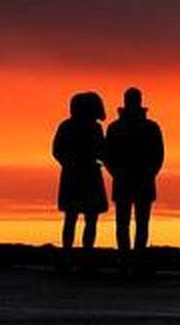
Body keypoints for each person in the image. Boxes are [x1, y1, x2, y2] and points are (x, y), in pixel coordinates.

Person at [103, 86, 164, 268]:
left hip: (134, 180)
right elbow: (109, 156)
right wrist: (118, 173)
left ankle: (133, 258)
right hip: (131, 180)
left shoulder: (119, 128)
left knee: (135, 223)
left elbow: (158, 156)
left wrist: (148, 173)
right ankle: (129, 258)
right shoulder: (147, 127)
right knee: (130, 223)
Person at [51, 91, 107, 267]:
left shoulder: (68, 126)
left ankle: (74, 256)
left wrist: (68, 163)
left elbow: (57, 150)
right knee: (83, 218)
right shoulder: (91, 128)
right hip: (86, 174)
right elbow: (58, 150)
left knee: (75, 217)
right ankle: (82, 256)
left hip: (75, 174)